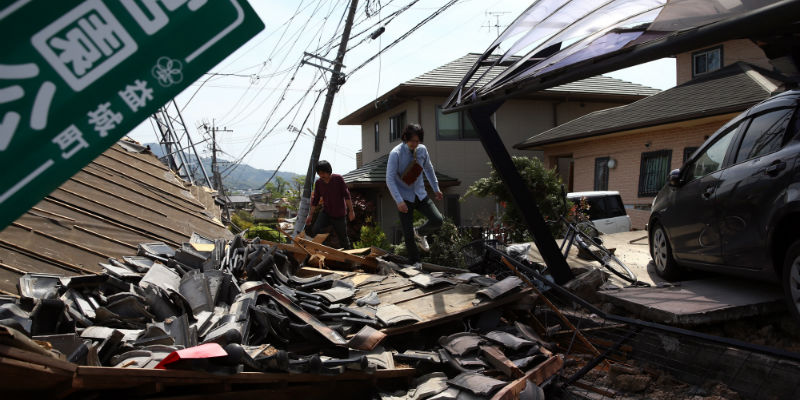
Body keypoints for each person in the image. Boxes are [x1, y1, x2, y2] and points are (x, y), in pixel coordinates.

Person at [386, 123, 444, 266]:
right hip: (404, 197)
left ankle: (420, 232)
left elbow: (429, 170)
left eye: (418, 141)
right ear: (405, 138)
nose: (415, 144)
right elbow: (389, 179)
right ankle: (415, 262)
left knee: (438, 220)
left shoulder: (422, 150)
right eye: (412, 141)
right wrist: (399, 201)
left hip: (421, 194)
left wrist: (436, 188)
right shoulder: (396, 153)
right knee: (407, 233)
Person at [306, 160, 355, 249]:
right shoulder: (318, 183)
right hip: (326, 212)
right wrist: (310, 215)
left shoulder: (338, 179)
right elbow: (315, 200)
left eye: (323, 173)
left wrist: (351, 211)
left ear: (329, 171)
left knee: (343, 238)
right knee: (316, 230)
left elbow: (346, 195)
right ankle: (324, 249)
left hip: (339, 214)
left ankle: (350, 260)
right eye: (319, 173)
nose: (322, 175)